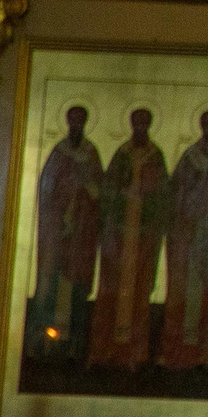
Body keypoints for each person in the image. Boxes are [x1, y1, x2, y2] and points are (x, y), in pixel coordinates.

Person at [92, 105, 170, 372]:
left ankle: (134, 353)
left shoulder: (155, 157)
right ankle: (105, 350)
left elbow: (162, 196)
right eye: (136, 123)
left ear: (149, 126)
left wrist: (147, 204)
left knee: (138, 290)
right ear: (131, 124)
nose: (140, 128)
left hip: (143, 235)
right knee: (113, 288)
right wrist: (122, 195)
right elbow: (108, 188)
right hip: (120, 233)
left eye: (144, 123)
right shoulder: (122, 155)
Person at [162, 108, 208, 373]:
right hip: (189, 235)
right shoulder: (190, 157)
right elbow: (175, 194)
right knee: (185, 289)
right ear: (200, 125)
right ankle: (178, 352)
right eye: (206, 123)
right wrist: (190, 194)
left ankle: (205, 354)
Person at [32, 104, 104, 355]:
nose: (76, 125)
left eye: (80, 121)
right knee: (52, 280)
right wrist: (64, 196)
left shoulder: (91, 154)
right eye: (72, 120)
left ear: (84, 123)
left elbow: (99, 194)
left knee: (76, 285)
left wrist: (85, 187)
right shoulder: (59, 153)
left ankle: (73, 342)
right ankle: (46, 338)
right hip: (57, 232)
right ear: (67, 122)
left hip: (81, 235)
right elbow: (47, 189)